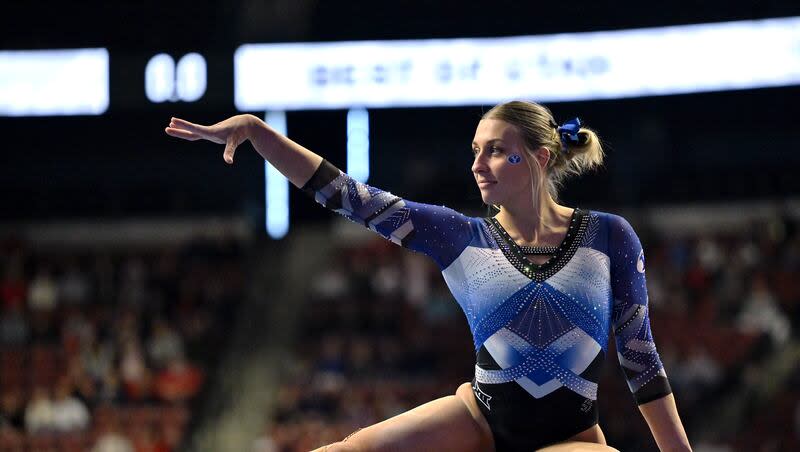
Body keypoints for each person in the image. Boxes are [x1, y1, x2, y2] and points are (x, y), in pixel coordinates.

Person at [165, 100, 692, 452]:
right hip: (480, 418)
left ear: (539, 157)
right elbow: (348, 195)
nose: (477, 164)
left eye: (495, 151)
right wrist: (259, 133)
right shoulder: (459, 236)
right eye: (474, 151)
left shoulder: (609, 237)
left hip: (573, 437)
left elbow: (641, 362)